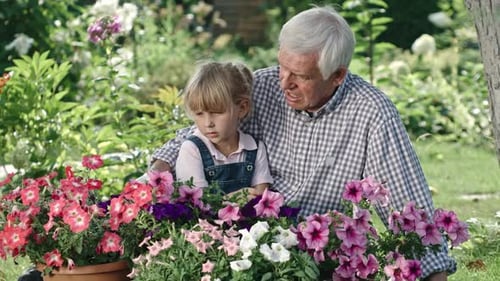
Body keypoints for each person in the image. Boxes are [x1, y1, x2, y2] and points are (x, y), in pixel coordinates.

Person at [149, 5, 455, 280]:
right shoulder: (264, 86)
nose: (284, 82)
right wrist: (158, 171)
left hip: (312, 258)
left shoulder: (370, 113)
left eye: (301, 76)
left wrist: (431, 271)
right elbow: (197, 133)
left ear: (337, 75)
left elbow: (408, 209)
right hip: (244, 244)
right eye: (283, 66)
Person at [175, 61, 272, 196]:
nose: (208, 123)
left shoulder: (254, 148)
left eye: (217, 112)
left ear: (242, 108)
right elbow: (196, 205)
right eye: (199, 114)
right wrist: (238, 198)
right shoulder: (192, 149)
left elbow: (261, 196)